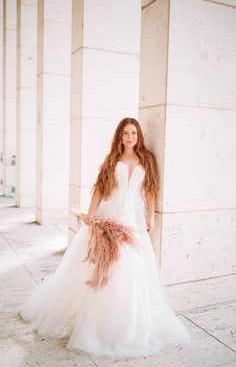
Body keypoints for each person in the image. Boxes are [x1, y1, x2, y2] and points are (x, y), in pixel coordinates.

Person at [18, 117, 191, 358]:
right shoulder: (112, 159)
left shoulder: (147, 159)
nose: (130, 137)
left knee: (134, 265)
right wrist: (90, 214)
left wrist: (151, 216)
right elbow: (100, 187)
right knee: (109, 264)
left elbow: (151, 189)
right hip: (112, 215)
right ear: (119, 137)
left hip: (136, 220)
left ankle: (129, 321)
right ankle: (101, 319)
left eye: (133, 133)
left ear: (138, 136)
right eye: (125, 133)